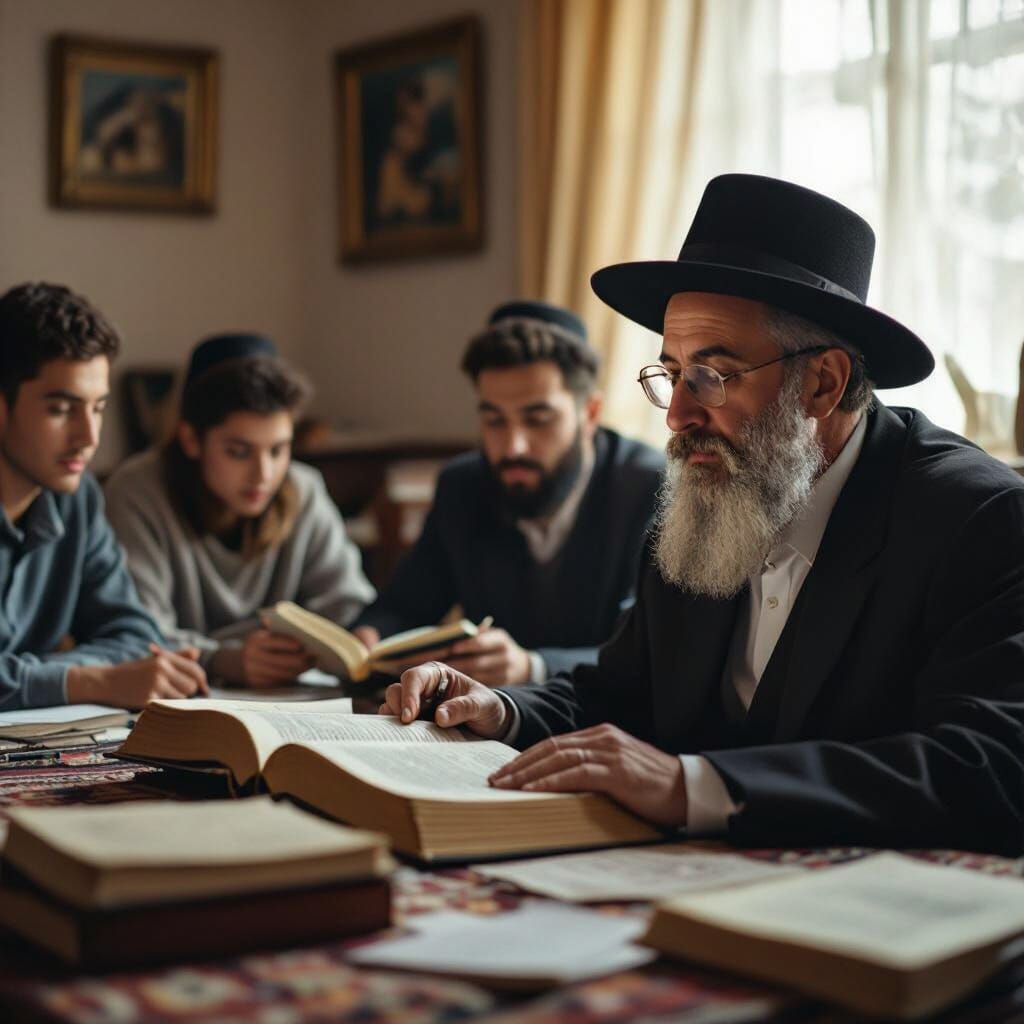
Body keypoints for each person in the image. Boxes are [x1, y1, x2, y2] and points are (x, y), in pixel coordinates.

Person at [383, 174, 1024, 855]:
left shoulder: (975, 519)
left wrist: (694, 785)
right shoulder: (708, 498)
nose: (679, 416)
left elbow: (992, 766)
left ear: (822, 382)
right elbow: (621, 696)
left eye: (712, 376)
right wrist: (499, 708)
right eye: (672, 373)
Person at [353, 301, 665, 685]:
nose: (513, 446)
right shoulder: (463, 485)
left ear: (590, 413)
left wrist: (533, 667)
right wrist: (369, 639)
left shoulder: (651, 489)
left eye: (538, 419)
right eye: (494, 420)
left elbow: (654, 651)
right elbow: (404, 605)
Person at [105, 334, 375, 688]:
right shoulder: (137, 491)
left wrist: (363, 637)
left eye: (278, 450)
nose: (264, 475)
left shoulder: (303, 488)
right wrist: (224, 660)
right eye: (239, 451)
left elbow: (347, 604)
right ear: (190, 440)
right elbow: (135, 633)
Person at [0, 282, 207, 710]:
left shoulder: (77, 498)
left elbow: (135, 637)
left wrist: (42, 676)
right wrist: (88, 680)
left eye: (97, 407)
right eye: (61, 409)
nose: (88, 438)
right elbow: (107, 674)